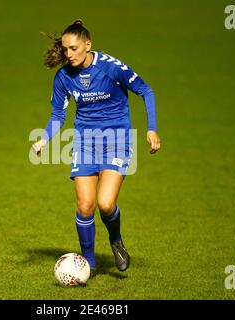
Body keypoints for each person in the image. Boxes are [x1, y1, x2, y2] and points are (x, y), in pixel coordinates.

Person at [32, 20, 160, 276]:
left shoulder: (111, 68)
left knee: (105, 203)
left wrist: (151, 128)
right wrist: (45, 139)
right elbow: (58, 114)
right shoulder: (63, 77)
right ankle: (88, 263)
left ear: (88, 45)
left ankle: (116, 240)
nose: (69, 54)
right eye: (65, 49)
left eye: (74, 48)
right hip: (84, 140)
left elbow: (145, 90)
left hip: (117, 139)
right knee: (85, 205)